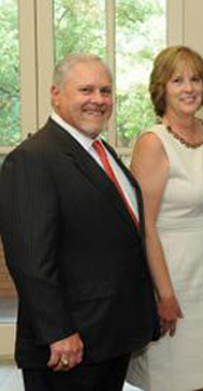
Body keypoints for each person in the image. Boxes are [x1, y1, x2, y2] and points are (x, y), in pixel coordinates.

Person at [0, 54, 159, 390]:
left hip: (108, 338)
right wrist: (58, 332)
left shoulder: (100, 151)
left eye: (105, 90)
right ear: (56, 94)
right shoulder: (32, 159)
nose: (98, 100)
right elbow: (31, 261)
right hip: (69, 346)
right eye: (85, 90)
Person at [126, 46, 203, 390]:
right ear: (162, 88)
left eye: (196, 79)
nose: (189, 88)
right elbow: (145, 228)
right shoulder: (152, 143)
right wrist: (165, 294)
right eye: (178, 80)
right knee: (170, 377)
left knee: (199, 377)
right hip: (173, 275)